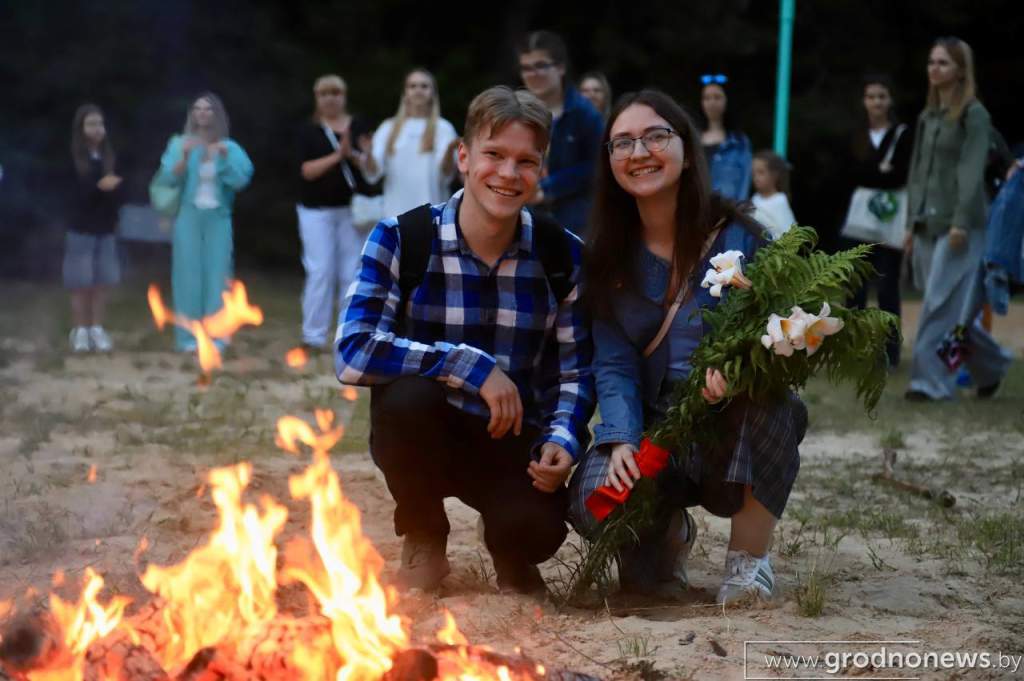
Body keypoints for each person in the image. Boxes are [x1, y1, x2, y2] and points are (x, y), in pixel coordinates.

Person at [336, 86, 595, 595]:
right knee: (406, 397)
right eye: (493, 155)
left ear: (540, 171)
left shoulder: (562, 255)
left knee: (536, 530)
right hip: (427, 429)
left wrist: (562, 439)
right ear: (463, 157)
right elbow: (352, 351)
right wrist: (469, 366)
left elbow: (575, 371)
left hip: (510, 442)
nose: (507, 173)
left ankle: (509, 546)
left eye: (525, 161)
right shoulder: (401, 238)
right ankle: (424, 534)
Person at [568, 89, 806, 606]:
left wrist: (742, 370)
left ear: (685, 147)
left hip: (728, 431)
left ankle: (748, 566)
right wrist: (622, 439)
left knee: (775, 403)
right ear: (609, 161)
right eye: (623, 143)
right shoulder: (608, 257)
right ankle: (667, 537)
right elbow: (613, 362)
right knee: (593, 499)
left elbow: (777, 333)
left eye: (656, 136)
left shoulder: (739, 237)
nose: (639, 152)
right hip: (656, 429)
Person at [904, 37, 1012, 401]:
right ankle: (993, 366)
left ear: (961, 71)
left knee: (938, 306)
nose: (934, 68)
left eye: (943, 63)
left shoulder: (974, 114)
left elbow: (970, 171)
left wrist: (961, 223)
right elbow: (918, 172)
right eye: (932, 62)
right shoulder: (927, 116)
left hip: (961, 226)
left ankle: (929, 385)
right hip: (927, 224)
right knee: (951, 309)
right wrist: (909, 222)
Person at [156, 93, 253, 351]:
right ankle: (188, 337)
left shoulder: (229, 147)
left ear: (216, 114)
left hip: (218, 218)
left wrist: (223, 159)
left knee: (218, 275)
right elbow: (166, 179)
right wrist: (185, 159)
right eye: (197, 109)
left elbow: (242, 179)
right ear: (192, 114)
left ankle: (217, 335)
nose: (202, 113)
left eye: (208, 109)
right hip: (189, 216)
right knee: (187, 275)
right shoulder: (180, 143)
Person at [296, 74, 374, 351]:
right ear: (317, 98)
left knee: (352, 272)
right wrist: (338, 155)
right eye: (324, 93)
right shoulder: (308, 130)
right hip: (315, 211)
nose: (330, 98)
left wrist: (354, 154)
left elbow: (372, 167)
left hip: (351, 212)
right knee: (320, 270)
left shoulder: (359, 125)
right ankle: (313, 335)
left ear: (344, 95)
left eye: (335, 93)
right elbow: (307, 171)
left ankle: (348, 334)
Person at [842, 74, 914, 368]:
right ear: (864, 101)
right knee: (855, 288)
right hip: (858, 224)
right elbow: (851, 173)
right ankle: (853, 351)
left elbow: (901, 174)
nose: (876, 102)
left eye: (881, 96)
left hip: (890, 221)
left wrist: (876, 174)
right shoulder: (856, 134)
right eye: (871, 96)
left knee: (887, 289)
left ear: (890, 100)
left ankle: (890, 353)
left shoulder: (903, 134)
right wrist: (881, 173)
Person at [517, 30, 605, 237]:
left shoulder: (585, 114)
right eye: (526, 68)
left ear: (560, 67)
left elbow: (599, 165)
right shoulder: (514, 112)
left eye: (540, 65)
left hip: (575, 224)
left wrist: (548, 188)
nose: (533, 74)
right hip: (522, 220)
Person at [360, 68, 458, 221]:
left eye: (424, 86)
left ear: (433, 92)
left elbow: (446, 175)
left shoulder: (443, 128)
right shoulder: (388, 128)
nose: (418, 90)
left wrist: (450, 150)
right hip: (395, 215)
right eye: (412, 86)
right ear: (405, 92)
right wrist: (368, 154)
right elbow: (374, 173)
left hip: (432, 215)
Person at [66, 103, 123, 353]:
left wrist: (114, 190)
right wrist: (99, 187)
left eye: (100, 124)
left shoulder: (110, 157)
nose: (97, 129)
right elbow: (73, 193)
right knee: (81, 282)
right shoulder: (73, 157)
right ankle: (80, 330)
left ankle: (97, 328)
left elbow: (120, 190)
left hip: (106, 229)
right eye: (91, 124)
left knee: (102, 281)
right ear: (81, 128)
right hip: (81, 228)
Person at [698, 73, 752, 202]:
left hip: (727, 215)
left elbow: (745, 183)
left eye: (717, 97)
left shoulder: (740, 142)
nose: (712, 102)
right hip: (696, 212)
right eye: (707, 98)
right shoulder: (692, 138)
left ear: (727, 100)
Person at [751, 150, 796, 239]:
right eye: (753, 173)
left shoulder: (779, 201)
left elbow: (788, 234)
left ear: (774, 175)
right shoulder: (754, 199)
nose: (756, 177)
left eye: (761, 172)